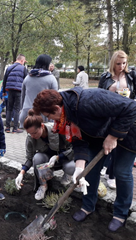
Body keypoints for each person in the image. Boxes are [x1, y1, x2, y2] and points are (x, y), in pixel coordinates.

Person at [33, 88, 136, 232]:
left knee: (121, 172)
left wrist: (113, 136)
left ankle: (120, 214)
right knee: (90, 170)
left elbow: (131, 107)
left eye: (48, 115)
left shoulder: (88, 100)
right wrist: (79, 168)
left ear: (56, 108)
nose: (50, 119)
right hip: (98, 136)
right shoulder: (67, 114)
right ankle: (88, 206)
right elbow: (78, 140)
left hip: (129, 132)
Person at [15, 109, 75, 201]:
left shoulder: (57, 129)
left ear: (42, 126)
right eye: (29, 133)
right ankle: (43, 186)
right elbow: (30, 158)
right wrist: (21, 173)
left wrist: (59, 157)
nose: (32, 136)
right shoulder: (31, 138)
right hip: (48, 163)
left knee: (71, 167)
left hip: (64, 159)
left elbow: (73, 148)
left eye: (35, 133)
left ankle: (67, 174)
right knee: (37, 157)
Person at [98, 50, 136, 190]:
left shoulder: (131, 76)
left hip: (126, 116)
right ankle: (108, 170)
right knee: (109, 145)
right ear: (113, 63)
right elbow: (99, 96)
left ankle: (112, 174)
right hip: (110, 115)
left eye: (124, 63)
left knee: (122, 145)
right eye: (118, 63)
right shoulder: (105, 76)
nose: (121, 66)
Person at [19, 54, 58, 126]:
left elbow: (22, 96)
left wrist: (22, 109)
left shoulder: (28, 77)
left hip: (27, 113)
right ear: (46, 64)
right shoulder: (51, 78)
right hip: (44, 114)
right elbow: (56, 98)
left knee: (30, 135)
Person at [2, 54, 28, 133]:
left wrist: (4, 91)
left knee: (9, 108)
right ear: (22, 60)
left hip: (10, 90)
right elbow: (26, 80)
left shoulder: (9, 68)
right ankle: (15, 128)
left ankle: (7, 127)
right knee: (17, 109)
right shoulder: (23, 68)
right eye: (24, 61)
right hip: (19, 91)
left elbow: (4, 80)